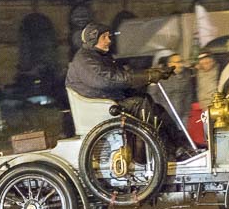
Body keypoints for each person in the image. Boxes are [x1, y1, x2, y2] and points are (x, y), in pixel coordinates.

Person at [65, 22, 185, 155]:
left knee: (155, 107)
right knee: (141, 104)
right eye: (104, 37)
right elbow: (110, 80)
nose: (109, 41)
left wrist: (153, 73)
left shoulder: (98, 57)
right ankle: (162, 151)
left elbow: (124, 75)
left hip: (106, 102)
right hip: (99, 107)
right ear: (93, 38)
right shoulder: (85, 60)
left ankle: (179, 145)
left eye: (108, 37)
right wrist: (149, 76)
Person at [148, 53, 194, 128]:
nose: (181, 65)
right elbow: (152, 94)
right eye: (177, 62)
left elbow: (188, 94)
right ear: (170, 64)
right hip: (165, 115)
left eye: (181, 62)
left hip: (182, 116)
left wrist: (186, 112)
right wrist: (159, 110)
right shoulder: (159, 76)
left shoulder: (186, 76)